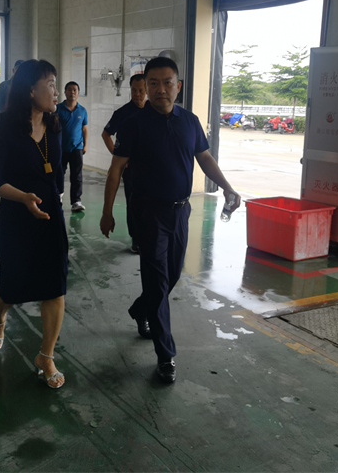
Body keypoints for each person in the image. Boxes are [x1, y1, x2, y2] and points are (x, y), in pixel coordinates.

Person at [100, 56, 240, 384]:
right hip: (148, 213)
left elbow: (204, 158)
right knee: (157, 281)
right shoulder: (134, 123)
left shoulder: (189, 121)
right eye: (154, 83)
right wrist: (107, 211)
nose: (160, 89)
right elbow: (116, 169)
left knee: (172, 274)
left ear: (178, 86)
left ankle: (140, 309)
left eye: (167, 83)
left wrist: (227, 187)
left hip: (180, 211)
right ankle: (166, 354)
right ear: (146, 87)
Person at [0, 60, 68, 389]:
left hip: (50, 215)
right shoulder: (6, 128)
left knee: (55, 287)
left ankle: (46, 355)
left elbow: (56, 173)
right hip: (17, 216)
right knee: (12, 285)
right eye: (50, 84)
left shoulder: (55, 124)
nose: (56, 91)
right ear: (31, 90)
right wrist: (23, 198)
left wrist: (54, 201)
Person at [100, 73, 147, 253]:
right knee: (133, 203)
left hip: (150, 169)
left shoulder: (153, 110)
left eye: (141, 91)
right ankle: (136, 238)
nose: (137, 94)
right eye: (134, 91)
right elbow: (106, 134)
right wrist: (117, 154)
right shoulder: (123, 114)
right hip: (130, 169)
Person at [56, 81, 88, 212]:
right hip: (61, 148)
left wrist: (85, 145)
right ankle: (58, 196)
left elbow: (84, 128)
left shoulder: (82, 111)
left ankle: (76, 201)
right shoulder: (57, 109)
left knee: (77, 175)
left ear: (78, 93)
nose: (72, 92)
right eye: (69, 90)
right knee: (59, 173)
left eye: (75, 90)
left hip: (77, 147)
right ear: (65, 92)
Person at [0, 59, 23, 127]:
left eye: (22, 70)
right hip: (6, 123)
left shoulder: (28, 87)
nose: (20, 72)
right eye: (17, 69)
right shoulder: (4, 86)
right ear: (13, 70)